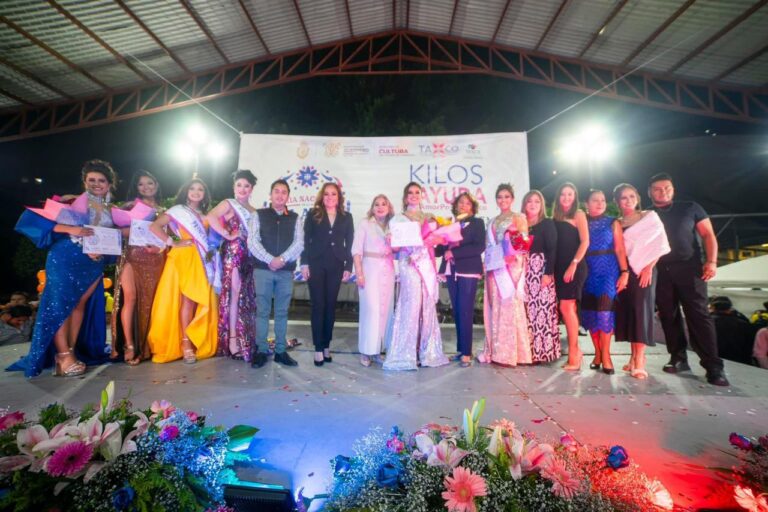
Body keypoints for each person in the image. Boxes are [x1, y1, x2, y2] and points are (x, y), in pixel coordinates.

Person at [8, 159, 117, 377]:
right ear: (84, 182)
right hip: (66, 257)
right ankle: (63, 355)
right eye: (91, 180)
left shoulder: (111, 210)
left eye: (101, 181)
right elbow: (36, 221)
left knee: (78, 308)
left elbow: (105, 236)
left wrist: (101, 250)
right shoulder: (71, 202)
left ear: (109, 184)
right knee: (60, 307)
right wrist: (71, 229)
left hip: (92, 262)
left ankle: (71, 351)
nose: (96, 184)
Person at [649, 173, 729, 386]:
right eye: (657, 189)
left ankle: (713, 366)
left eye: (666, 187)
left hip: (691, 269)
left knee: (699, 315)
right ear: (650, 193)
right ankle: (678, 357)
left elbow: (708, 235)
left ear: (673, 189)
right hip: (661, 270)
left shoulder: (690, 207)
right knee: (668, 315)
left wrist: (711, 261)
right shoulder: (648, 215)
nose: (662, 191)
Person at [147, 179, 218, 364]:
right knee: (186, 301)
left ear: (205, 193)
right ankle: (186, 344)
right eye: (192, 188)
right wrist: (172, 242)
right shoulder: (178, 211)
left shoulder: (205, 214)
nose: (196, 192)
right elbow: (154, 226)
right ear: (186, 191)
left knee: (196, 302)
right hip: (185, 258)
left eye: (200, 189)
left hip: (203, 260)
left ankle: (195, 339)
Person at [383, 182, 449, 371]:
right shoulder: (398, 219)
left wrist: (438, 238)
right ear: (405, 197)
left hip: (426, 264)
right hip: (409, 264)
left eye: (417, 192)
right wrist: (391, 242)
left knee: (427, 307)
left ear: (422, 196)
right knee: (411, 306)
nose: (413, 195)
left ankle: (426, 352)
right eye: (410, 193)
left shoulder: (430, 218)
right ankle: (405, 353)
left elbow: (437, 242)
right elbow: (394, 247)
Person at [111, 170, 166, 366]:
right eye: (141, 184)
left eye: (150, 183)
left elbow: (167, 239)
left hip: (155, 259)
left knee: (151, 302)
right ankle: (129, 344)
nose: (146, 187)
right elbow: (116, 232)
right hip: (132, 256)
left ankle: (149, 344)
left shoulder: (164, 210)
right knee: (131, 298)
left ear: (156, 185)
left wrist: (159, 247)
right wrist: (136, 229)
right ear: (136, 188)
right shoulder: (128, 207)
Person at [247, 179, 303, 369]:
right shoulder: (258, 215)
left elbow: (299, 243)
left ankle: (280, 351)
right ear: (270, 195)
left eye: (284, 192)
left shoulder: (295, 218)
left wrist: (282, 260)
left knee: (281, 312)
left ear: (288, 196)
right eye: (276, 191)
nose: (280, 195)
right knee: (262, 311)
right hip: (263, 270)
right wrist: (270, 259)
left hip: (285, 272)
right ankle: (261, 351)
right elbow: (252, 242)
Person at [614, 183, 667, 379]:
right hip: (627, 270)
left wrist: (648, 267)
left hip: (646, 270)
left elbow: (661, 244)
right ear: (618, 202)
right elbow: (619, 249)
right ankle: (633, 356)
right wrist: (624, 271)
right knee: (630, 311)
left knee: (641, 312)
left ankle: (640, 360)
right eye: (624, 198)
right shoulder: (618, 223)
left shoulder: (650, 217)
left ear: (637, 197)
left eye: (631, 196)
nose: (628, 201)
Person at [301, 182, 354, 366]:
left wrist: (348, 266)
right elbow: (305, 240)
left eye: (333, 194)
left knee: (330, 306)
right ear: (321, 197)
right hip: (316, 263)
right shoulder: (313, 215)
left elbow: (350, 243)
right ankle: (317, 348)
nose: (330, 197)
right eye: (326, 194)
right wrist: (304, 262)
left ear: (339, 197)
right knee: (318, 305)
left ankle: (326, 346)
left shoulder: (347, 217)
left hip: (336, 265)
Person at [207, 170, 258, 362]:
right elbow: (211, 217)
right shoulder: (229, 204)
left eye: (246, 186)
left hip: (249, 257)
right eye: (239, 185)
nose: (242, 189)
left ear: (251, 189)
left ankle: (246, 336)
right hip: (233, 254)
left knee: (246, 296)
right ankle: (232, 341)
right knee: (234, 294)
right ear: (234, 187)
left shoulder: (254, 211)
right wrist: (227, 234)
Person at [479, 184, 530, 367]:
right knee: (497, 306)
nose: (503, 200)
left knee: (510, 304)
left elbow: (523, 243)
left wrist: (512, 256)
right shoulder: (492, 221)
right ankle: (498, 350)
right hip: (496, 267)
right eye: (500, 197)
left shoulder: (519, 217)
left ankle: (514, 353)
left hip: (512, 266)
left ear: (512, 199)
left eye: (507, 196)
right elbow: (488, 246)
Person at [435, 192, 485, 368]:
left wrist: (454, 253)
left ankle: (466, 353)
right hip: (451, 270)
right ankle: (460, 349)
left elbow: (479, 247)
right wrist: (430, 241)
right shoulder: (450, 223)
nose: (463, 205)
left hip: (468, 270)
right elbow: (440, 250)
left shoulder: (477, 223)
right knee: (457, 311)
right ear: (455, 206)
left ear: (472, 207)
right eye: (460, 203)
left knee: (465, 311)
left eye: (467, 203)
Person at [581, 190, 628, 375]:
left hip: (608, 269)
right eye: (595, 200)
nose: (600, 203)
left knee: (604, 313)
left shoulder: (612, 222)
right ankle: (598, 353)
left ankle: (607, 355)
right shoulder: (581, 221)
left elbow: (620, 248)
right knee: (591, 313)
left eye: (602, 200)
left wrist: (624, 272)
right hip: (587, 270)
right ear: (587, 203)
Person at [352, 194, 395, 367]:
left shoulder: (393, 225)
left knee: (385, 312)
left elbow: (399, 250)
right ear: (372, 207)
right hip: (370, 269)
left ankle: (378, 350)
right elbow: (356, 251)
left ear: (389, 207)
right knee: (371, 310)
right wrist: (359, 274)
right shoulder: (365, 223)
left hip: (388, 269)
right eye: (376, 204)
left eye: (383, 204)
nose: (380, 207)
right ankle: (366, 351)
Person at [553, 182, 589, 371]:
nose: (566, 198)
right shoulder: (556, 217)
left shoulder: (579, 214)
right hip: (558, 268)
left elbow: (585, 242)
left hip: (574, 266)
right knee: (567, 308)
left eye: (570, 194)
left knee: (567, 306)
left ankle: (574, 352)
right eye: (563, 194)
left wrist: (573, 264)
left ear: (575, 196)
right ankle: (576, 351)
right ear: (558, 197)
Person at [522, 190, 560, 363]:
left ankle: (540, 353)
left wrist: (548, 273)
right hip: (522, 271)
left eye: (537, 201)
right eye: (530, 201)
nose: (533, 204)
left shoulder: (547, 223)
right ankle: (525, 351)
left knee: (541, 312)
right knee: (525, 311)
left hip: (541, 271)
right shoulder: (520, 223)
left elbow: (552, 249)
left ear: (542, 204)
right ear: (524, 204)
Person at [709, 296, 755, 366]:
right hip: (740, 363)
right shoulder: (743, 323)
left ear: (713, 308)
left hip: (714, 362)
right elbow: (750, 346)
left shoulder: (707, 323)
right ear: (730, 308)